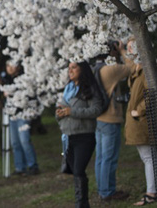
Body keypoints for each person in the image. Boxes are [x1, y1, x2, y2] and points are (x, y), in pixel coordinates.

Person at [56, 61, 103, 208]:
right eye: (69, 68)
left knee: (78, 170)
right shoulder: (68, 89)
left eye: (74, 67)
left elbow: (96, 110)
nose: (70, 70)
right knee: (75, 173)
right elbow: (61, 112)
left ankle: (81, 205)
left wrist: (72, 112)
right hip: (68, 137)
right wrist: (59, 114)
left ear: (83, 69)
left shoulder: (89, 88)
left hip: (84, 136)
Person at [93, 40, 134, 201]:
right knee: (109, 157)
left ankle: (102, 189)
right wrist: (123, 51)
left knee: (101, 157)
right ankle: (108, 192)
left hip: (98, 118)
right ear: (111, 52)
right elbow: (131, 67)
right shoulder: (110, 70)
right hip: (110, 117)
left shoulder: (96, 68)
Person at [124, 38, 157, 206]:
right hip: (137, 121)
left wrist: (140, 110)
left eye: (131, 47)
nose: (129, 51)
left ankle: (151, 192)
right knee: (148, 157)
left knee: (148, 157)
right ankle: (152, 190)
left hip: (143, 120)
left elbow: (152, 92)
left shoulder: (145, 70)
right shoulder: (136, 68)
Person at [0, 62, 39, 176]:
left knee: (24, 140)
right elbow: (1, 95)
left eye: (12, 65)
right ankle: (20, 167)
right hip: (11, 113)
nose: (9, 68)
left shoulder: (24, 78)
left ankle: (32, 165)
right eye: (7, 66)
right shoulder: (5, 78)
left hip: (23, 112)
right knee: (15, 142)